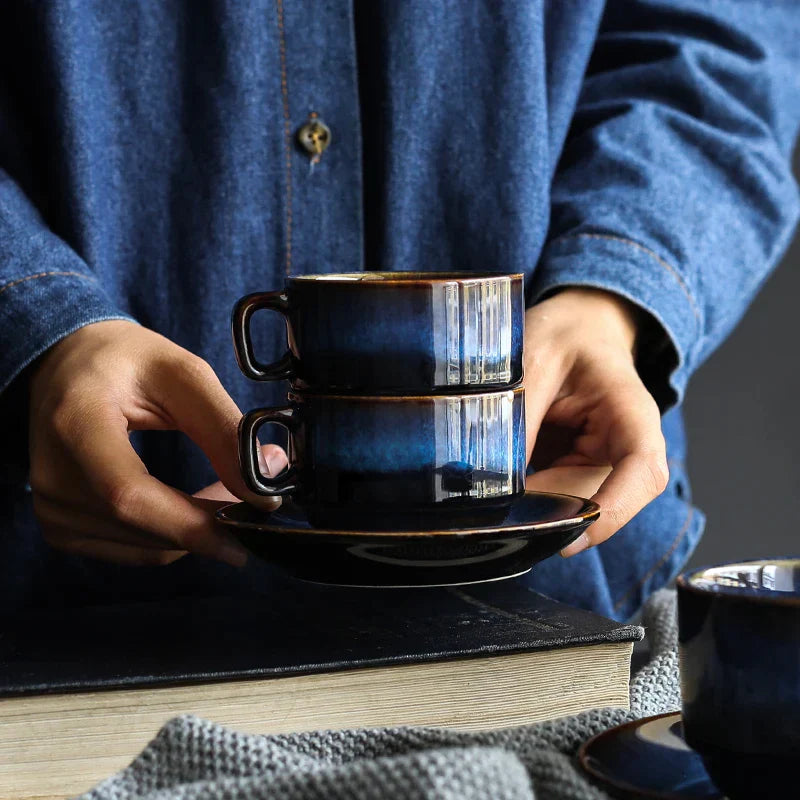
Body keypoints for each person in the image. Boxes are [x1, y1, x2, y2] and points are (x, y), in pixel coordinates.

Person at [1, 1, 798, 622]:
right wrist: (37, 321)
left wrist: (614, 295)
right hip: (64, 623)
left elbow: (722, 47)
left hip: (562, 619)